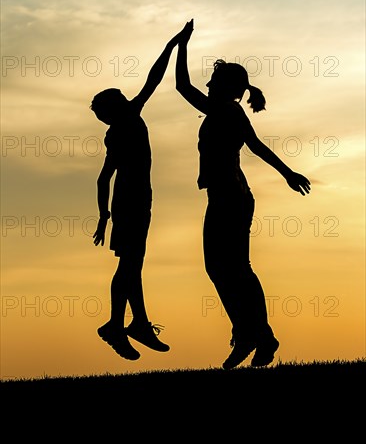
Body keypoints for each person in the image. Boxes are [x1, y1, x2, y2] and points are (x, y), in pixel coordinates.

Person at [175, 19, 311, 370]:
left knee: (232, 268)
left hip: (231, 198)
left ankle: (256, 335)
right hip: (226, 196)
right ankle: (253, 334)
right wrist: (287, 174)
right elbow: (257, 146)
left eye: (213, 81)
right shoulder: (227, 110)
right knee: (223, 268)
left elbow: (182, 86)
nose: (207, 84)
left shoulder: (224, 109)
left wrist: (181, 44)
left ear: (225, 88)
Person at [90, 27, 182, 361]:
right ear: (118, 108)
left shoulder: (121, 125)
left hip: (135, 202)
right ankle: (117, 325)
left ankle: (139, 323)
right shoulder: (122, 126)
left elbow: (103, 179)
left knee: (134, 265)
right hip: (131, 203)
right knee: (129, 266)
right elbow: (153, 80)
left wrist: (103, 216)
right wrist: (105, 216)